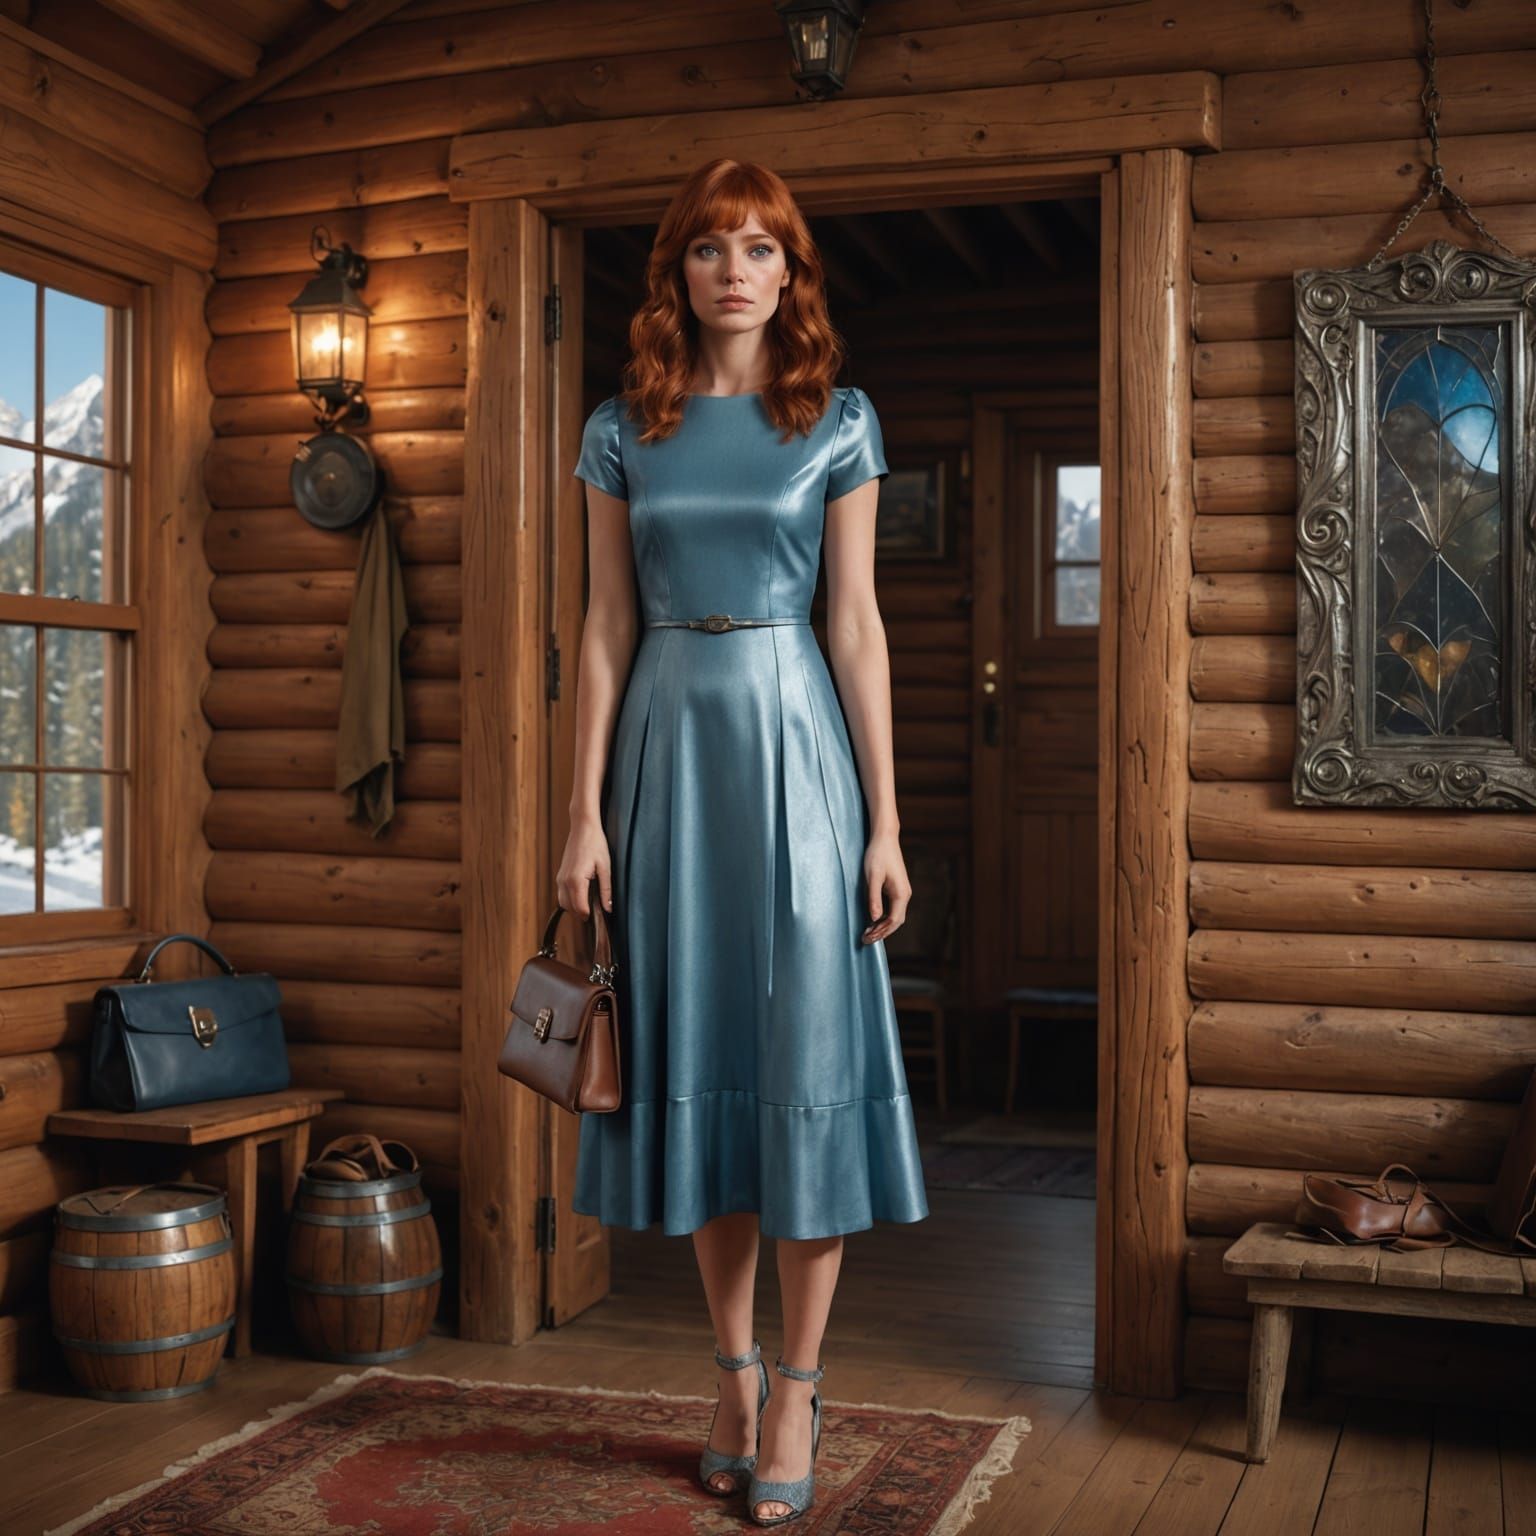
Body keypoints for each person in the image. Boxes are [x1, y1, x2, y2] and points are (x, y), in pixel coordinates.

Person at [557, 154, 929, 1527]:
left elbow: (856, 628)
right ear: (682, 270)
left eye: (761, 248)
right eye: (712, 245)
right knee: (702, 1066)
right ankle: (727, 1372)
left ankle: (801, 1385)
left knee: (808, 1066)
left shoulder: (836, 421)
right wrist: (582, 811)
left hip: (795, 748)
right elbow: (601, 626)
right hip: (665, 746)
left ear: (790, 275)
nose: (734, 268)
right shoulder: (620, 428)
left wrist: (885, 824)